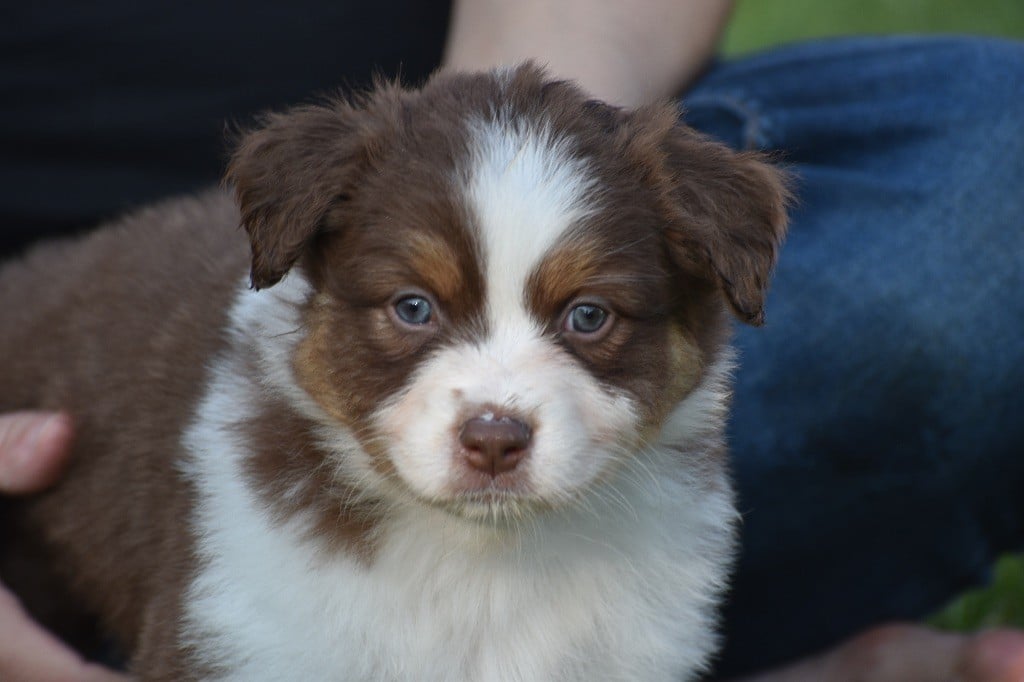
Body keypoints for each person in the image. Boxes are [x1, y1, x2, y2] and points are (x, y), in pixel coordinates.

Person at [3, 1, 1023, 679]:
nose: (495, 410)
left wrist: (512, 119)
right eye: (416, 311)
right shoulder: (248, 544)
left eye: (587, 318)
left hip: (561, 110)